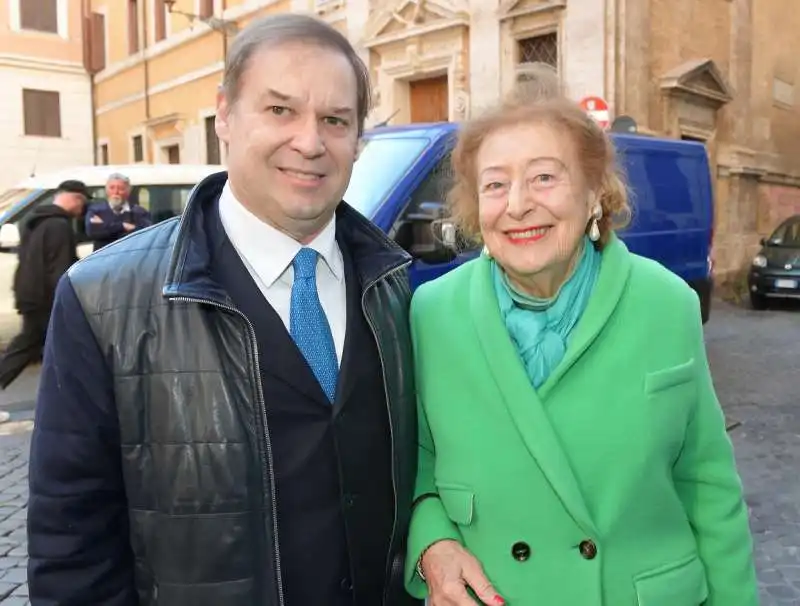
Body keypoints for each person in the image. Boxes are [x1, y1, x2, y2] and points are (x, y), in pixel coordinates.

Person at [28, 14, 420, 606]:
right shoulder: (101, 298)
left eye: (335, 120)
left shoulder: (397, 289)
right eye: (281, 111)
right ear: (225, 118)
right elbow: (71, 545)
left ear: (357, 140)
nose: (310, 142)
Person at [404, 87, 760, 603]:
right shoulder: (433, 312)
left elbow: (707, 483)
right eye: (496, 184)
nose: (519, 205)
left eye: (545, 177)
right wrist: (432, 542)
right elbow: (417, 461)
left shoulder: (664, 303)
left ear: (595, 193)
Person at [0, 180, 87, 391]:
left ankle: (66, 402)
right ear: (75, 198)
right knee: (29, 348)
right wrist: (66, 300)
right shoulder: (59, 226)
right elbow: (60, 268)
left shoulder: (34, 222)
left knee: (54, 350)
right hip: (45, 299)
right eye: (82, 202)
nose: (81, 209)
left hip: (31, 294)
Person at [84, 172, 152, 250]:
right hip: (104, 258)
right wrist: (123, 226)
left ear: (128, 191)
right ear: (106, 190)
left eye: (121, 189)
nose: (116, 192)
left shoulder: (139, 212)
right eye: (112, 188)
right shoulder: (96, 210)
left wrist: (106, 227)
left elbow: (146, 234)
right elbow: (93, 232)